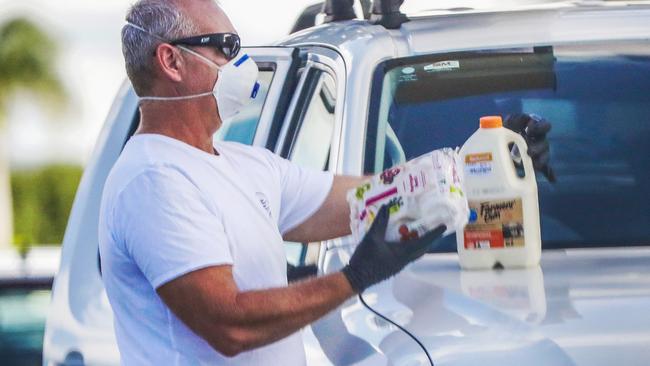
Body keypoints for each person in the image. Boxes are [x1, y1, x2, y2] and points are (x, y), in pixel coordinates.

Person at [98, 0, 553, 365]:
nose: (242, 62)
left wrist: (484, 156)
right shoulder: (154, 179)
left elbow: (366, 198)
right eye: (226, 46)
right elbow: (230, 326)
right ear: (171, 60)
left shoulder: (243, 165)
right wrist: (356, 276)